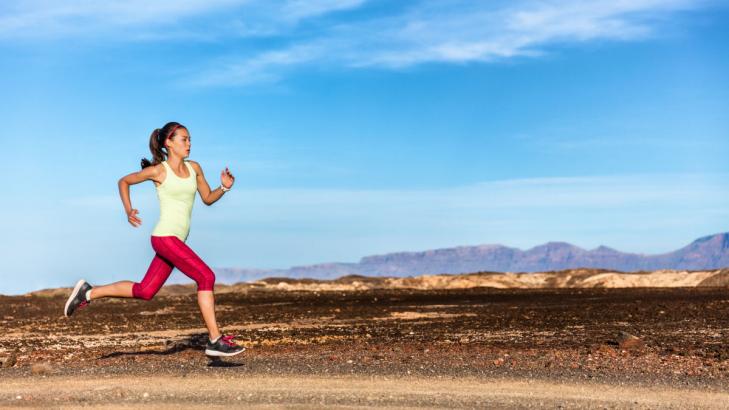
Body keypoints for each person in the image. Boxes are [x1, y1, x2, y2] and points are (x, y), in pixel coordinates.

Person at [63, 121, 244, 357]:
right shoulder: (159, 171)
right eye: (184, 139)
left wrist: (224, 188)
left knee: (145, 291)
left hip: (176, 240)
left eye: (190, 140)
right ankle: (215, 340)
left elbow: (208, 198)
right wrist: (129, 210)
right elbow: (124, 181)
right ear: (168, 143)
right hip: (165, 237)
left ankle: (88, 292)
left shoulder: (194, 168)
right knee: (206, 276)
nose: (189, 144)